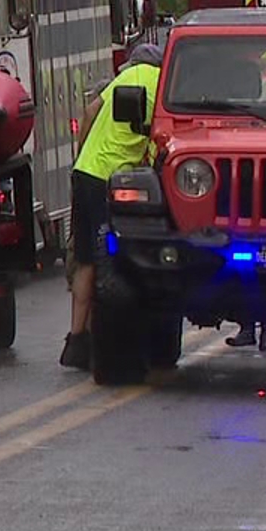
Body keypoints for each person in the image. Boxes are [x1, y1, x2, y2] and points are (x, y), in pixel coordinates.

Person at [61, 43, 164, 370]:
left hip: (86, 171)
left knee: (86, 259)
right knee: (111, 260)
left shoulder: (125, 78)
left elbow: (90, 112)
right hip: (113, 178)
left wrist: (83, 155)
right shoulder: (161, 85)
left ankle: (77, 340)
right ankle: (103, 338)